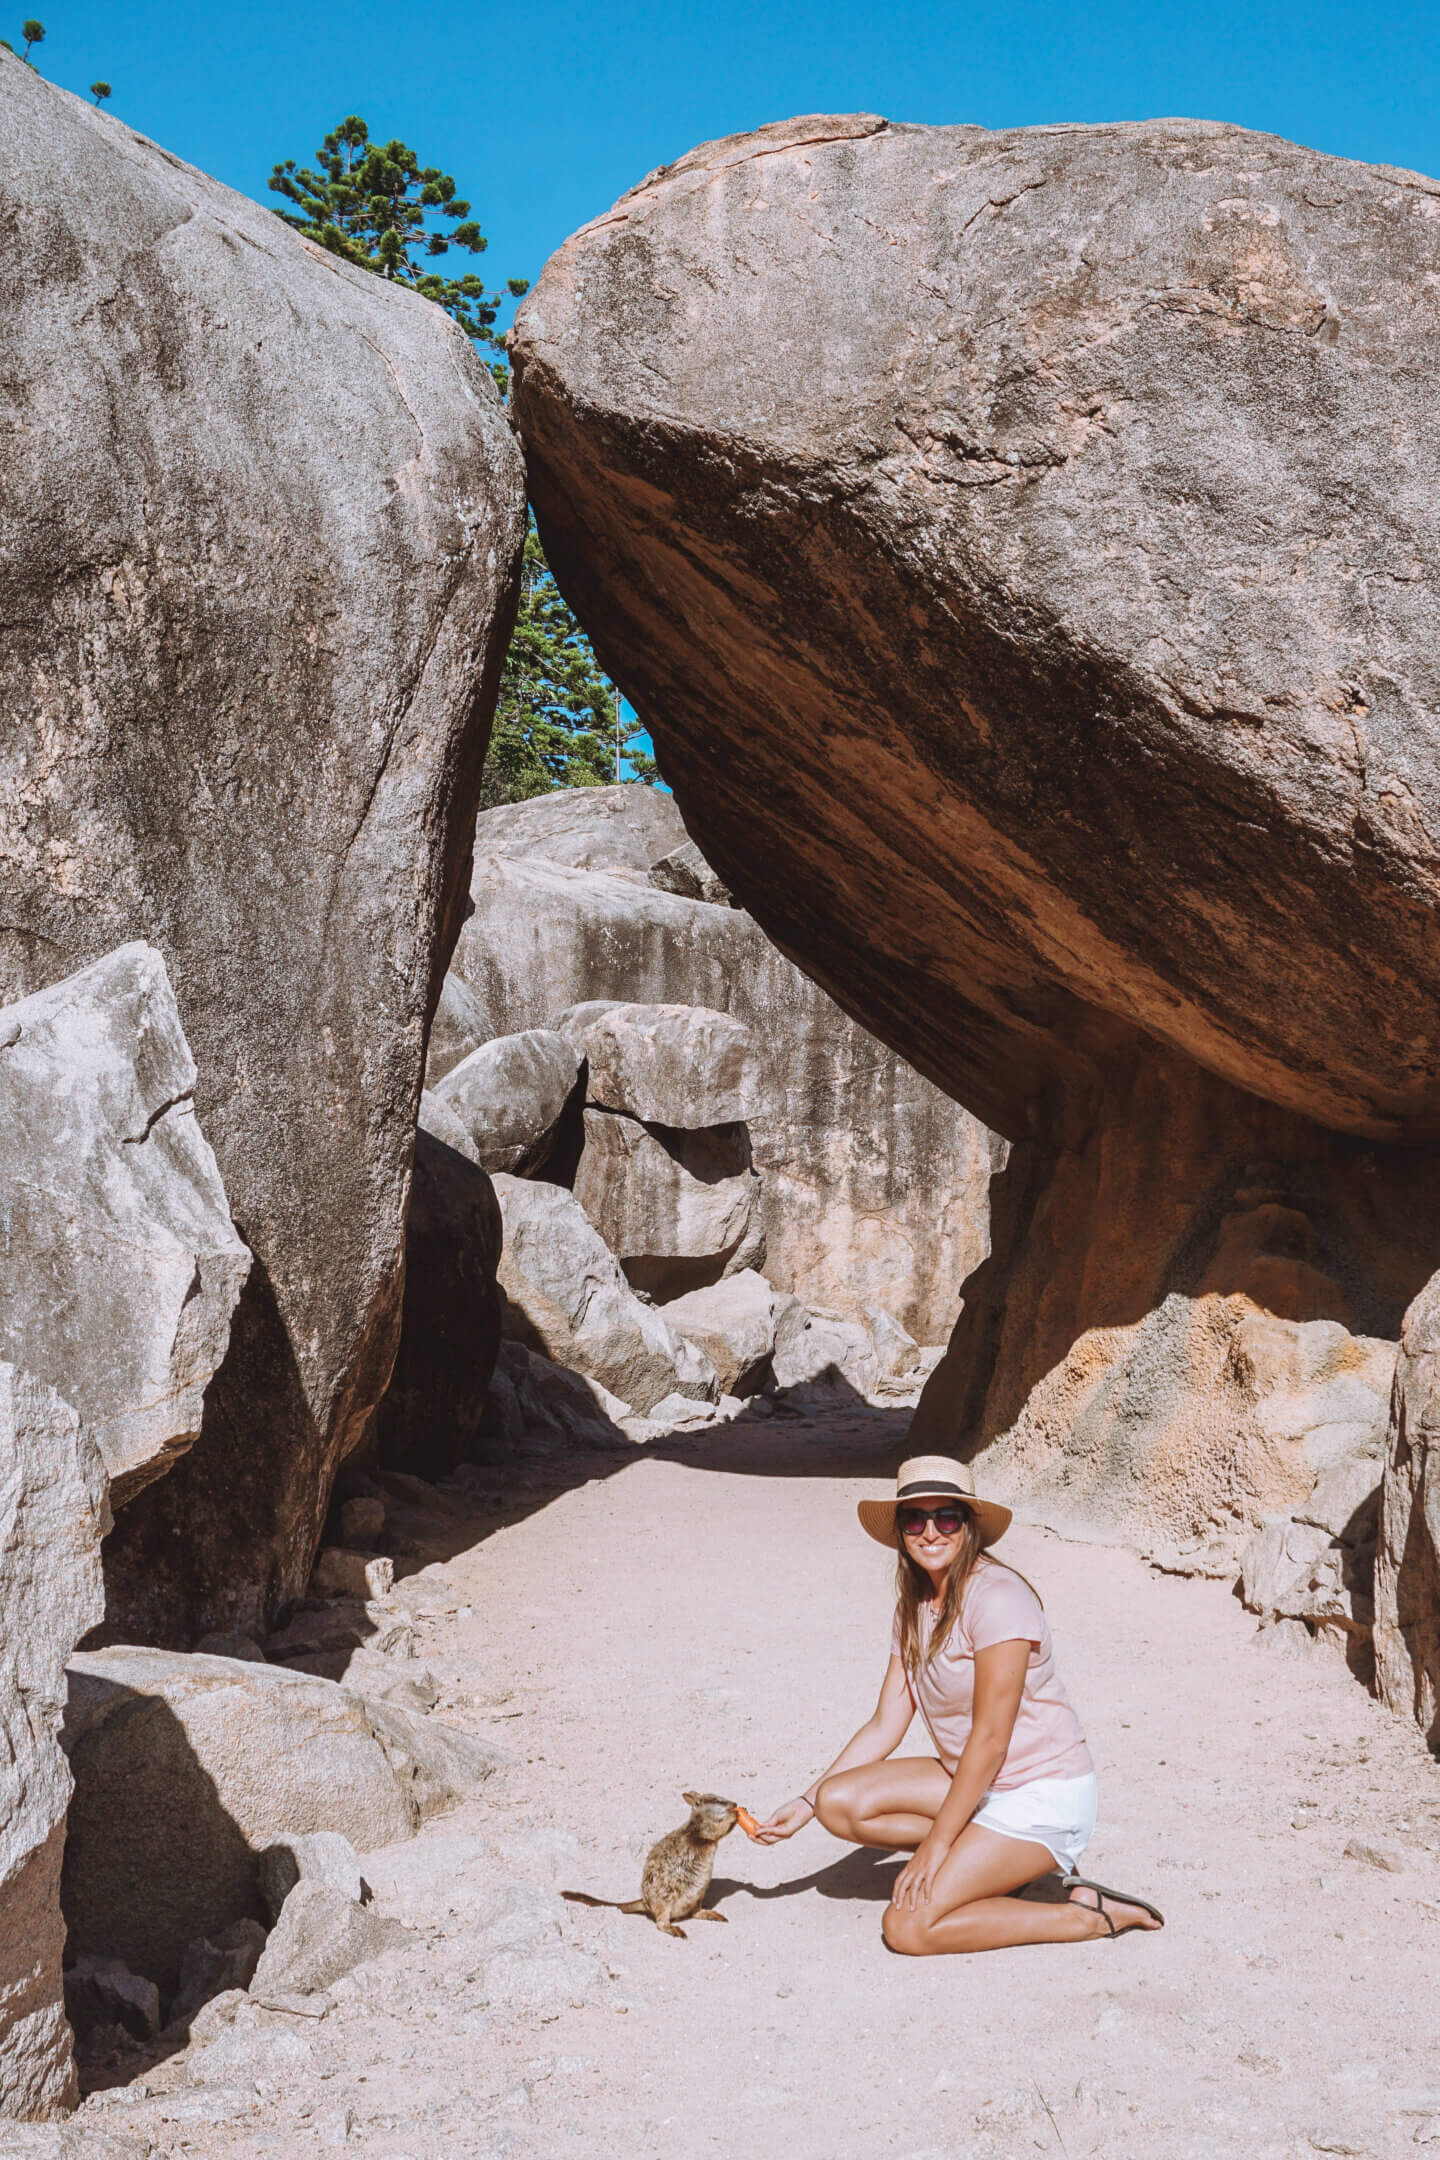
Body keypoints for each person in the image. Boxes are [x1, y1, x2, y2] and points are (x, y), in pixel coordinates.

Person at [755, 1455, 1164, 1954]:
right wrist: (804, 1802)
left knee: (907, 1928)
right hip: (974, 1782)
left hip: (1040, 1795)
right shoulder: (915, 1604)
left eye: (946, 1517)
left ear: (968, 1526)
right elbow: (886, 1723)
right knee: (835, 1803)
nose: (930, 1532)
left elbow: (990, 1742)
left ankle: (1086, 1917)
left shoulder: (998, 1598)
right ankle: (987, 1864)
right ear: (900, 1530)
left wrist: (935, 1848)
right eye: (914, 1519)